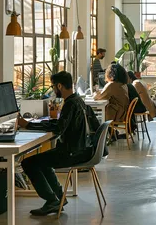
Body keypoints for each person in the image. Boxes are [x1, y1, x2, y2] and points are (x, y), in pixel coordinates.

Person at [18, 71, 98, 216]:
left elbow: (59, 129)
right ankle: (58, 198)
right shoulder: (77, 100)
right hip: (82, 149)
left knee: (29, 163)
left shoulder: (70, 104)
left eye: (54, 86)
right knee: (43, 160)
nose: (54, 90)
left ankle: (52, 200)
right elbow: (62, 124)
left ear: (59, 86)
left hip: (73, 153)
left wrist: (28, 125)